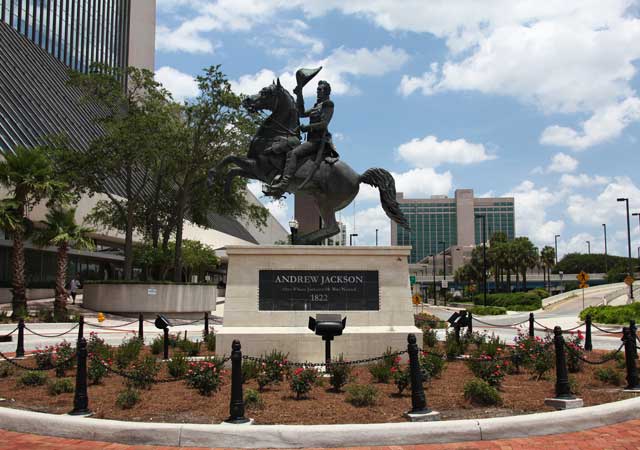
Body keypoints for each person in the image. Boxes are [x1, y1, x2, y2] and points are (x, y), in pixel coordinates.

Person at [269, 79, 337, 192]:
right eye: (317, 90)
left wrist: (306, 128)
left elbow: (324, 124)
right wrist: (299, 94)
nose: (318, 92)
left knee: (294, 153)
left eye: (320, 90)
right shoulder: (317, 105)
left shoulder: (328, 104)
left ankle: (284, 183)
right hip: (311, 140)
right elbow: (301, 113)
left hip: (318, 141)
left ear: (326, 91)